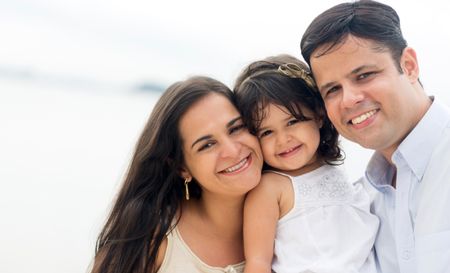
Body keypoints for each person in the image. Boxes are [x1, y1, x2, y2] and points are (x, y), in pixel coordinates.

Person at [300, 1, 450, 273]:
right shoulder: (357, 204)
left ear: (409, 65)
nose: (348, 100)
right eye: (332, 90)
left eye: (364, 75)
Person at [90, 76, 264, 273]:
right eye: (207, 145)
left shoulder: (293, 218)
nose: (232, 151)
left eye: (236, 128)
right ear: (182, 168)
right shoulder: (151, 243)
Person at [233, 54, 379, 273]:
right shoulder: (270, 188)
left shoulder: (335, 173)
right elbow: (258, 262)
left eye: (292, 121)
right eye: (267, 132)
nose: (283, 140)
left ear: (319, 114)